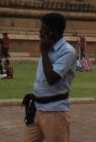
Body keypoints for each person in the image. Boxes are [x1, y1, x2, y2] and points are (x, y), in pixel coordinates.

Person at [22, 12, 76, 142]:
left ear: (54, 31)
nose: (40, 31)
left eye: (43, 28)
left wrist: (45, 53)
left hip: (55, 112)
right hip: (37, 108)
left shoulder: (67, 51)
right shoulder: (47, 47)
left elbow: (51, 79)